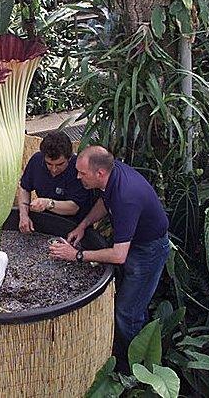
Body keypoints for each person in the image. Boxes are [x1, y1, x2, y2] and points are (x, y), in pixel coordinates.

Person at [48, 146, 170, 371]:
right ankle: (133, 340)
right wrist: (83, 225)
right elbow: (105, 202)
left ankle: (131, 368)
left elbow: (118, 255)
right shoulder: (112, 175)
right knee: (132, 300)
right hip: (134, 242)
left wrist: (76, 255)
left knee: (126, 311)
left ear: (99, 173)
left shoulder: (126, 196)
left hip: (147, 251)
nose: (77, 177)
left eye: (82, 173)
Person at [17, 131, 94, 233]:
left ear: (69, 158)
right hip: (45, 220)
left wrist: (48, 203)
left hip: (74, 225)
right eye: (49, 164)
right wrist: (23, 215)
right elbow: (24, 187)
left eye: (59, 164)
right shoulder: (36, 160)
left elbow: (74, 207)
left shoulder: (79, 169)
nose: (54, 169)